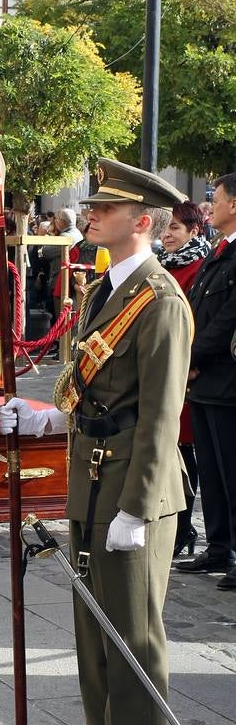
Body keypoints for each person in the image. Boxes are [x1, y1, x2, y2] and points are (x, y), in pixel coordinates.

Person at [0, 159, 191, 725]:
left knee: (131, 625)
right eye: (93, 207)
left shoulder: (161, 302)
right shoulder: (101, 291)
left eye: (105, 210)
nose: (91, 215)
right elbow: (93, 393)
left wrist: (136, 509)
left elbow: (160, 417)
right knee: (91, 621)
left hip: (134, 485)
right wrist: (45, 417)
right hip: (89, 474)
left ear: (141, 222)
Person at [178, 174, 236, 589]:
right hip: (204, 382)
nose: (209, 204)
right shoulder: (220, 250)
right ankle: (219, 548)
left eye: (216, 198)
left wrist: (192, 358)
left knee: (231, 473)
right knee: (213, 473)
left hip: (226, 380)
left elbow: (228, 319)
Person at [156, 201, 210, 560]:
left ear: (193, 230)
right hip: (161, 366)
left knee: (185, 456)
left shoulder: (201, 267)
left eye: (175, 227)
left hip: (187, 371)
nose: (167, 234)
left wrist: (189, 362)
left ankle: (183, 526)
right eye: (165, 228)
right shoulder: (162, 265)